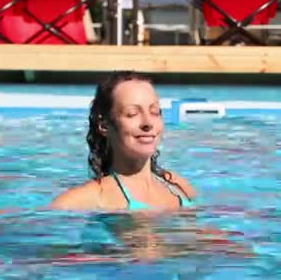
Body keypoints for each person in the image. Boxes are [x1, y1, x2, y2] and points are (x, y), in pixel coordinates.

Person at [51, 70, 196, 211]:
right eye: (132, 114)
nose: (148, 123)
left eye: (155, 112)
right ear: (104, 125)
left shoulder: (179, 187)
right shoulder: (85, 200)